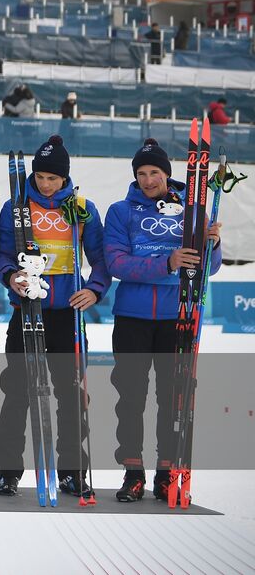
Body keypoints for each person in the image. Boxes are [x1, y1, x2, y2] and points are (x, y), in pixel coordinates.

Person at [105, 138, 222, 502]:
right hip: (133, 318)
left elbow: (209, 269)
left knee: (173, 398)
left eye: (154, 172)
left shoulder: (193, 211)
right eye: (141, 173)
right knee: (131, 399)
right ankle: (133, 472)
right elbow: (117, 264)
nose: (148, 179)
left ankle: (167, 474)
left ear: (167, 174)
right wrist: (167, 263)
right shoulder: (121, 211)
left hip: (178, 316)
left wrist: (213, 246)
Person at [0, 136, 109, 498]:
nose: (45, 184)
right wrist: (11, 277)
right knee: (17, 393)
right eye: (40, 177)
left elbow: (102, 257)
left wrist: (95, 288)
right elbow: (2, 254)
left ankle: (72, 471)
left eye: (53, 178)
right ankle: (9, 471)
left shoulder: (82, 207)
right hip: (26, 310)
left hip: (67, 315)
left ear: (65, 178)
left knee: (72, 396)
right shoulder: (16, 205)